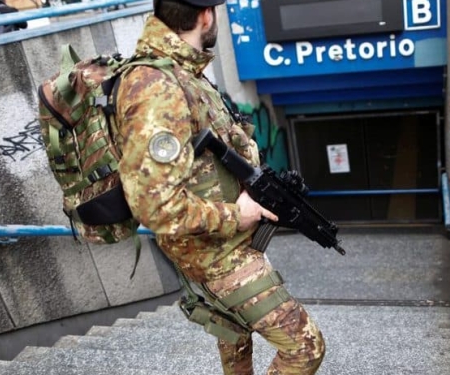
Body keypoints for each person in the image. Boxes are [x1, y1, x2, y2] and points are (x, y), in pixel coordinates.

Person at [113, 0, 326, 374]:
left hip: (225, 241)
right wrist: (235, 214)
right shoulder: (154, 85)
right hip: (215, 251)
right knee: (305, 347)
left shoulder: (185, 73)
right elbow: (154, 206)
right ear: (205, 16)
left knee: (235, 339)